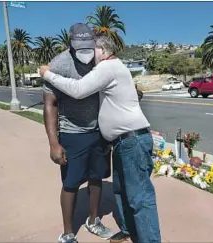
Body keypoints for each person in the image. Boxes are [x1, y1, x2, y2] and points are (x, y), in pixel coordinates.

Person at [40, 34, 161, 243]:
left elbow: (78, 90)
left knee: (140, 197)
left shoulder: (107, 68)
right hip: (122, 142)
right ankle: (127, 229)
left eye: (92, 50)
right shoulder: (115, 68)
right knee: (120, 189)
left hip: (132, 140)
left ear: (103, 51)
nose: (89, 56)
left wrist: (47, 74)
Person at [42, 23, 113, 243]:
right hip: (72, 134)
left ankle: (93, 221)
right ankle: (68, 233)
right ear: (70, 44)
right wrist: (54, 143)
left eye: (88, 46)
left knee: (96, 178)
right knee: (71, 183)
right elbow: (50, 105)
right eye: (79, 47)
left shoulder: (99, 59)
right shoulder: (58, 65)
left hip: (98, 132)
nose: (85, 52)